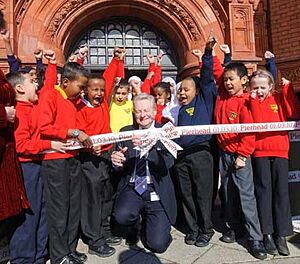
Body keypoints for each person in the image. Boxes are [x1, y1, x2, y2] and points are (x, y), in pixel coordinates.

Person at [8, 69, 66, 264]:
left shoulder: (33, 106)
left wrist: (50, 65)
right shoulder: (19, 113)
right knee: (29, 216)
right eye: (32, 82)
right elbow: (21, 145)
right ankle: (23, 258)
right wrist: (49, 145)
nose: (36, 85)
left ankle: (39, 256)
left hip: (38, 166)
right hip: (26, 169)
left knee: (42, 212)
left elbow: (48, 86)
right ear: (20, 89)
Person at [38, 62, 92, 264]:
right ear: (66, 82)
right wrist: (73, 132)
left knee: (73, 207)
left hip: (72, 158)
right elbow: (43, 127)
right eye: (80, 87)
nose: (82, 92)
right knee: (59, 210)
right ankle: (59, 255)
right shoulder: (50, 95)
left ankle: (69, 249)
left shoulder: (72, 100)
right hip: (55, 161)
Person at [111, 93, 177, 253]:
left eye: (146, 110)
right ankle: (134, 224)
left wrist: (149, 147)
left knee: (157, 245)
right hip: (133, 186)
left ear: (155, 111)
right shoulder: (126, 131)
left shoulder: (166, 131)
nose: (142, 115)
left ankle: (153, 223)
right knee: (121, 216)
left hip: (157, 189)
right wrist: (116, 161)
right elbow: (118, 163)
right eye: (138, 111)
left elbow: (168, 163)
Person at [215, 61, 267, 260]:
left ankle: (255, 238)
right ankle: (234, 228)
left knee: (246, 197)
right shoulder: (221, 96)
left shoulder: (246, 102)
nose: (227, 83)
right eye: (226, 79)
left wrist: (243, 155)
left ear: (244, 80)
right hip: (223, 154)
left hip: (239, 156)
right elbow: (218, 74)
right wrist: (211, 53)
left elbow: (249, 132)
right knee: (228, 193)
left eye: (232, 79)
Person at [76, 48, 125, 258]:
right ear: (85, 90)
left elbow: (108, 77)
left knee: (106, 195)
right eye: (94, 90)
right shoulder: (79, 108)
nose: (98, 93)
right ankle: (93, 238)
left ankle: (104, 230)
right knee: (92, 200)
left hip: (106, 156)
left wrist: (115, 59)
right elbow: (76, 136)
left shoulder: (103, 103)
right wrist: (88, 146)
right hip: (90, 160)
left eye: (101, 90)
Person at [250, 52, 300, 256]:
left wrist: (287, 87)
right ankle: (267, 233)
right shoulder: (250, 102)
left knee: (281, 193)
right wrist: (254, 101)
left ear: (271, 87)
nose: (259, 91)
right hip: (260, 152)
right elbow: (255, 120)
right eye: (255, 87)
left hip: (280, 151)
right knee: (264, 193)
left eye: (263, 87)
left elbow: (293, 112)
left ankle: (282, 234)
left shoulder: (278, 98)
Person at [173, 36, 216, 248]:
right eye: (179, 90)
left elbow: (207, 78)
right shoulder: (177, 110)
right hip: (182, 157)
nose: (182, 93)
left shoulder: (205, 100)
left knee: (202, 194)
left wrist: (207, 54)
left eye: (186, 89)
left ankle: (206, 229)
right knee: (187, 194)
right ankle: (193, 229)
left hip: (201, 155)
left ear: (196, 91)